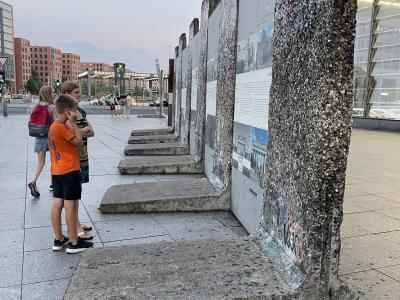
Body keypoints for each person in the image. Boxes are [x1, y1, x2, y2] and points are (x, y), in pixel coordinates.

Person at [48, 94, 93, 253]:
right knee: (71, 205)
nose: (75, 113)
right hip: (69, 169)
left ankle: (59, 239)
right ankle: (74, 242)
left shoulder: (53, 126)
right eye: (73, 111)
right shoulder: (62, 127)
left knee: (57, 203)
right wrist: (73, 122)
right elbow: (78, 142)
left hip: (56, 170)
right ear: (68, 111)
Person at [62, 81, 94, 240]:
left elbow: (92, 131)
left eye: (79, 92)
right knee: (73, 194)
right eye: (76, 92)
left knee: (78, 191)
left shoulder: (80, 110)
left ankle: (77, 224)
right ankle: (74, 227)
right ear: (67, 93)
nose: (79, 95)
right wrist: (82, 132)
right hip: (72, 158)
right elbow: (69, 136)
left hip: (82, 156)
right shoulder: (66, 113)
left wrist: (79, 132)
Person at [28, 86, 56, 198]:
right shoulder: (52, 108)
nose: (54, 94)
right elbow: (56, 123)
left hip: (39, 137)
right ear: (49, 94)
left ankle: (33, 181)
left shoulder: (35, 106)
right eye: (53, 92)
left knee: (40, 162)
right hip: (51, 137)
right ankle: (53, 184)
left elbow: (30, 121)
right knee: (54, 160)